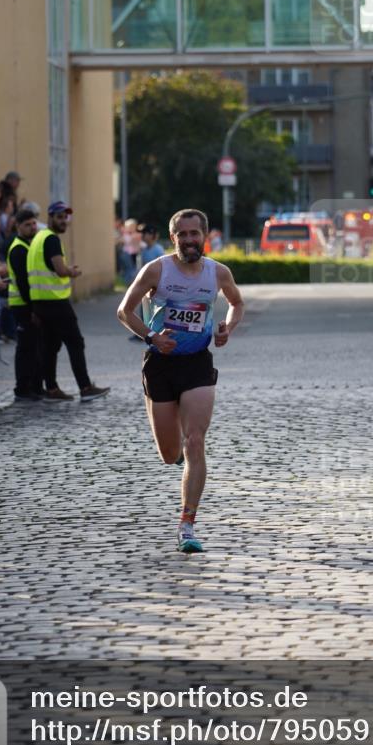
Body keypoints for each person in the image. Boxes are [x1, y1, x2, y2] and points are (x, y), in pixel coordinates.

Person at [117, 208, 244, 554]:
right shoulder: (156, 269)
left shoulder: (218, 273)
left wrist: (226, 328)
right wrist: (152, 337)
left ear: (205, 236)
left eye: (195, 234)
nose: (189, 240)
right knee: (169, 452)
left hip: (197, 364)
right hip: (160, 364)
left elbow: (236, 303)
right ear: (172, 239)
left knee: (195, 441)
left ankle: (187, 523)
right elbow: (124, 311)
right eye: (182, 235)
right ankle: (176, 457)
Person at [27, 200, 109, 402]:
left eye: (66, 217)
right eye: (60, 217)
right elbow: (60, 270)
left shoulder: (38, 238)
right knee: (75, 343)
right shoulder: (52, 239)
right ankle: (85, 387)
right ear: (50, 217)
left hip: (40, 303)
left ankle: (52, 389)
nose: (64, 221)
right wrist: (72, 272)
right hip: (56, 303)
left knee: (51, 346)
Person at [6, 207, 43, 401]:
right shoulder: (19, 248)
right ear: (18, 226)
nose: (32, 227)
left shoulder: (28, 246)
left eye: (34, 223)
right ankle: (23, 387)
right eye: (27, 224)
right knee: (26, 348)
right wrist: (33, 309)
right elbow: (22, 283)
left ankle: (35, 386)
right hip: (22, 305)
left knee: (34, 346)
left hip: (27, 305)